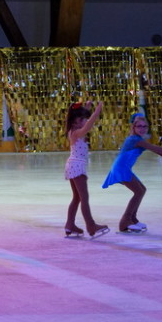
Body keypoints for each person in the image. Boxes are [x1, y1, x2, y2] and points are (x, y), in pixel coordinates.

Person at [102, 113, 162, 233]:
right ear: (134, 127)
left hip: (123, 168)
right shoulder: (134, 140)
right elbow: (156, 148)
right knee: (138, 192)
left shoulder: (138, 139)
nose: (142, 129)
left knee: (141, 190)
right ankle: (125, 222)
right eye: (139, 126)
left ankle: (133, 219)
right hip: (121, 168)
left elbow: (155, 151)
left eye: (145, 126)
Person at [64, 101, 109, 238]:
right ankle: (91, 225)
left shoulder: (73, 130)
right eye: (82, 119)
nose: (84, 121)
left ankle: (70, 224)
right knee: (84, 197)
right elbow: (88, 125)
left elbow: (84, 121)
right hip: (77, 166)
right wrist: (96, 111)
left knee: (77, 198)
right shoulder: (77, 132)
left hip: (74, 165)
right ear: (76, 120)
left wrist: (87, 109)